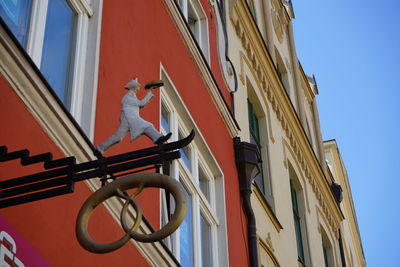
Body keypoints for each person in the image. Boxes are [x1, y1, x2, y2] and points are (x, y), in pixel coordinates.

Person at [95, 78, 171, 156]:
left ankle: (100, 149)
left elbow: (141, 104)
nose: (139, 86)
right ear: (133, 87)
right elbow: (141, 103)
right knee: (147, 126)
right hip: (128, 118)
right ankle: (159, 139)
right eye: (138, 85)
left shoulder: (132, 96)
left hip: (130, 118)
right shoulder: (128, 97)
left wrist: (150, 92)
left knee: (118, 137)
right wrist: (149, 92)